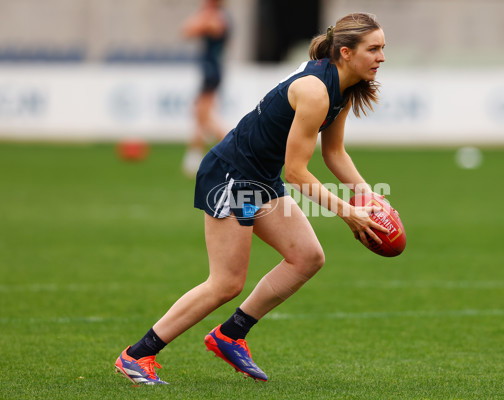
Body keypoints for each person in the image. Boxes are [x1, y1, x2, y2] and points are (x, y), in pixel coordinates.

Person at [115, 12, 389, 385]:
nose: (381, 57)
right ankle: (137, 355)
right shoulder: (315, 90)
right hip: (231, 177)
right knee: (226, 282)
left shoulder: (343, 88)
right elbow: (296, 173)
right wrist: (348, 213)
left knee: (307, 257)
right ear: (345, 51)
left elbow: (334, 153)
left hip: (258, 180)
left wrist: (367, 194)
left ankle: (230, 335)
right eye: (373, 49)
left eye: (382, 49)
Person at [181, 0, 230, 178]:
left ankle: (231, 146)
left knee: (204, 115)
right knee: (200, 114)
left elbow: (189, 29)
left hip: (212, 70)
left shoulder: (218, 18)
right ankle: (195, 154)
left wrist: (204, 14)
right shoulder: (216, 16)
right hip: (210, 70)